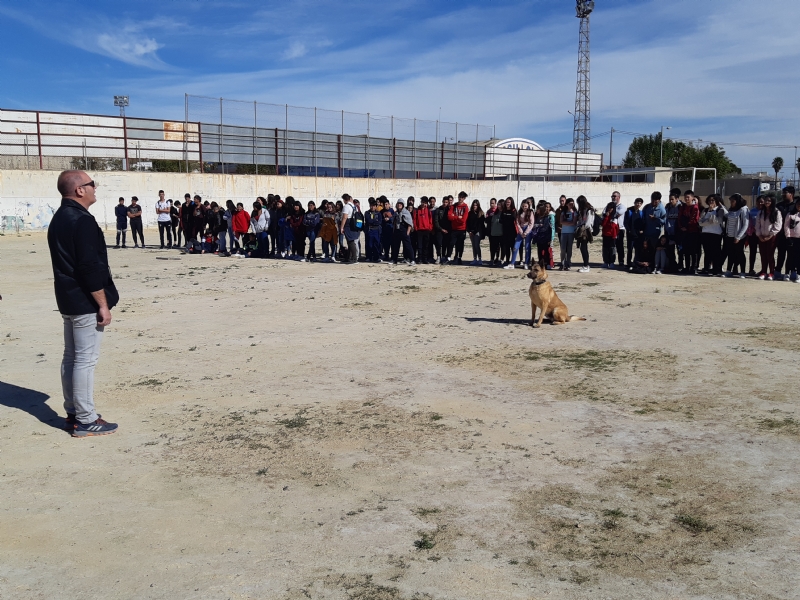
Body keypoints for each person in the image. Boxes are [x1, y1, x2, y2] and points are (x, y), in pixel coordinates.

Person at [47, 170, 119, 437]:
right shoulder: (81, 220)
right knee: (85, 361)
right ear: (79, 190)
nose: (95, 188)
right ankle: (86, 419)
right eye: (91, 184)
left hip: (67, 298)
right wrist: (102, 303)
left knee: (72, 357)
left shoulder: (59, 218)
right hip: (84, 300)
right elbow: (89, 267)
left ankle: (74, 412)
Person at [755, 195, 783, 280]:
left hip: (771, 237)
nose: (767, 202)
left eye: (769, 201)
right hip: (761, 236)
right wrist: (759, 235)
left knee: (770, 255)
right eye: (766, 200)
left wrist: (770, 235)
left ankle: (771, 273)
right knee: (763, 254)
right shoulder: (760, 212)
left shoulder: (776, 212)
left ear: (773, 202)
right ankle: (763, 272)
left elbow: (778, 225)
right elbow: (757, 225)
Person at [698, 194, 726, 276]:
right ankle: (706, 268)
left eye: (713, 200)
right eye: (709, 200)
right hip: (706, 233)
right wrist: (708, 220)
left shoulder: (719, 210)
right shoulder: (705, 210)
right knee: (707, 252)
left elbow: (717, 221)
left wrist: (711, 215)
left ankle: (715, 269)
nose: (711, 202)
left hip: (716, 234)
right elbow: (700, 222)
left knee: (716, 252)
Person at [723, 194, 749, 278]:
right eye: (730, 201)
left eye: (733, 201)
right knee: (730, 253)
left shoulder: (743, 209)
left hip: (739, 237)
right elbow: (727, 217)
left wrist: (738, 237)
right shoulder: (731, 210)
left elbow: (745, 224)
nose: (731, 203)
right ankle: (729, 270)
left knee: (739, 253)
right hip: (729, 235)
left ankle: (742, 271)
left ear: (738, 201)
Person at [677, 190, 700, 274]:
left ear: (692, 198)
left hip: (693, 232)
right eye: (685, 197)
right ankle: (686, 267)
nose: (686, 199)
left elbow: (694, 219)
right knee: (685, 251)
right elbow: (679, 218)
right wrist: (681, 227)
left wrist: (686, 227)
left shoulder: (695, 208)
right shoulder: (682, 207)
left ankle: (693, 267)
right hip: (684, 232)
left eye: (688, 197)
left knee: (693, 251)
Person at [775, 187, 795, 280]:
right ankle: (778, 271)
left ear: (791, 194)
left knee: (792, 255)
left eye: (785, 193)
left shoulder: (796, 206)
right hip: (781, 234)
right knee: (781, 254)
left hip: (793, 235)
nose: (783, 195)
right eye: (782, 193)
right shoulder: (779, 206)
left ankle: (790, 272)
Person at [603, 191, 626, 268]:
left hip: (619, 228)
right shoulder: (608, 205)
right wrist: (608, 213)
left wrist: (610, 213)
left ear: (619, 197)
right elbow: (604, 213)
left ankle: (621, 261)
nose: (613, 197)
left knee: (619, 246)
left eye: (614, 196)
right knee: (608, 246)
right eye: (612, 196)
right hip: (609, 229)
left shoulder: (622, 206)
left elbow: (617, 213)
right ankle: (608, 261)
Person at [509, 198, 534, 269]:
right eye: (523, 206)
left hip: (528, 230)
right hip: (521, 230)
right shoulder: (519, 212)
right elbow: (517, 222)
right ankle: (512, 263)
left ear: (528, 206)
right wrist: (520, 231)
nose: (524, 208)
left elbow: (531, 223)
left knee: (527, 247)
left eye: (525, 206)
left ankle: (526, 263)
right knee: (515, 247)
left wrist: (526, 232)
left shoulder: (531, 213)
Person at [575, 195, 595, 273]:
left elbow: (588, 223)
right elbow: (580, 220)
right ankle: (585, 265)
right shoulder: (582, 210)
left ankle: (586, 265)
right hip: (581, 230)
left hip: (586, 231)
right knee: (582, 248)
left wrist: (581, 227)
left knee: (584, 248)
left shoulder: (589, 210)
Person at [448, 191, 469, 265]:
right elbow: (449, 217)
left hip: (462, 229)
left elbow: (463, 220)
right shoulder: (454, 206)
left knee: (460, 245)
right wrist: (457, 217)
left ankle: (459, 257)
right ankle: (449, 257)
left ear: (464, 198)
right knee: (451, 243)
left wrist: (454, 217)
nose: (460, 199)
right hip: (454, 229)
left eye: (462, 197)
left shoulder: (465, 207)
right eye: (459, 197)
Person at [391, 200, 415, 265]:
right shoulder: (396, 213)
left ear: (403, 205)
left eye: (400, 204)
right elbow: (394, 222)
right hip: (397, 231)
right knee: (396, 246)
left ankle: (412, 260)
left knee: (408, 246)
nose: (399, 205)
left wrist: (408, 232)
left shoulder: (406, 212)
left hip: (404, 231)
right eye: (398, 204)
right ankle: (394, 260)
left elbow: (410, 223)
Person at [623, 198, 644, 267]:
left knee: (637, 249)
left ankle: (636, 262)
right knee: (630, 249)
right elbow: (625, 222)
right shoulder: (629, 211)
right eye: (637, 203)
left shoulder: (641, 213)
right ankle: (629, 263)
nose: (638, 204)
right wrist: (628, 230)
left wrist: (641, 230)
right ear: (634, 203)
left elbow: (642, 223)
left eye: (640, 203)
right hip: (630, 234)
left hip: (638, 234)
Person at [413, 196, 434, 264]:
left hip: (426, 230)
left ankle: (425, 259)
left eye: (425, 203)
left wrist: (430, 227)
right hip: (419, 230)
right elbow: (415, 220)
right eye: (423, 202)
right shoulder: (417, 210)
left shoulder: (428, 210)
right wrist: (416, 227)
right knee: (419, 246)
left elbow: (430, 220)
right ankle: (419, 259)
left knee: (426, 246)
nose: (424, 204)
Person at [664, 189, 682, 271]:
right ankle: (672, 265)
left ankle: (681, 265)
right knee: (670, 251)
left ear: (677, 199)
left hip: (678, 233)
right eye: (670, 199)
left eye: (672, 199)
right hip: (669, 232)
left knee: (680, 251)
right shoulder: (668, 206)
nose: (671, 201)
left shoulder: (681, 206)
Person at [559, 197, 578, 271]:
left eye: (572, 204)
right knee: (563, 249)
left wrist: (566, 223)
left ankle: (568, 263)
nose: (571, 205)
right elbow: (561, 221)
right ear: (567, 204)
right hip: (564, 232)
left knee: (569, 249)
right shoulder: (563, 212)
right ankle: (562, 263)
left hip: (571, 232)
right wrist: (569, 223)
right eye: (570, 204)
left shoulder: (574, 212)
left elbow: (574, 222)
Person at [746, 196, 763, 276]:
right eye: (758, 202)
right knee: (752, 252)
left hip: (763, 235)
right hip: (753, 235)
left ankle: (763, 270)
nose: (760, 203)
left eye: (761, 202)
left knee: (763, 253)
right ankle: (751, 269)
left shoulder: (766, 211)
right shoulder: (752, 211)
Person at [784, 196, 800, 282]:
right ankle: (787, 273)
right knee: (790, 257)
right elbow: (786, 226)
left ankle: (798, 275)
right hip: (791, 238)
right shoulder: (790, 214)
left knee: (799, 258)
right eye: (798, 204)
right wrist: (788, 237)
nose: (799, 206)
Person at [340, 194, 359, 264]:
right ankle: (348, 257)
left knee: (350, 242)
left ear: (345, 200)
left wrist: (341, 227)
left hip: (348, 224)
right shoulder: (354, 206)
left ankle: (354, 258)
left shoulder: (346, 207)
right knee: (350, 241)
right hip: (354, 224)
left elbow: (345, 217)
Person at [499, 197, 517, 268]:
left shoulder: (514, 211)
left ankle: (513, 261)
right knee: (506, 247)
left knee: (512, 247)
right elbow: (501, 220)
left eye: (509, 202)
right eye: (506, 202)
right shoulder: (504, 211)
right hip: (505, 231)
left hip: (512, 232)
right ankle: (507, 260)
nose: (507, 204)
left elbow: (515, 220)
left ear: (511, 203)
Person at [601, 203, 620, 268]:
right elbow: (603, 224)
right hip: (605, 234)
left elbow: (614, 226)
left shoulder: (615, 216)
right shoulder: (604, 215)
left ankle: (612, 262)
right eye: (609, 208)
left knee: (612, 249)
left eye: (611, 208)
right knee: (605, 249)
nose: (610, 209)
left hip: (612, 235)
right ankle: (606, 262)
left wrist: (615, 235)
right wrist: (606, 217)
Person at [466, 199, 485, 266]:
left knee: (477, 245)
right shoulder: (470, 213)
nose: (475, 206)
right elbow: (467, 223)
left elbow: (480, 225)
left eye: (476, 205)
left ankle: (480, 259)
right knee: (473, 245)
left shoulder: (481, 213)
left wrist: (475, 232)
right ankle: (475, 259)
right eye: (474, 205)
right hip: (471, 232)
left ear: (478, 205)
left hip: (477, 232)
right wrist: (469, 231)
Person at [486, 198, 503, 267]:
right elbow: (486, 220)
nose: (491, 204)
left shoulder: (498, 211)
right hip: (491, 231)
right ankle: (492, 258)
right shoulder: (489, 211)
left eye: (493, 203)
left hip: (499, 231)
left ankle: (497, 258)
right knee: (492, 246)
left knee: (498, 247)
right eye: (490, 203)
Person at [380, 197, 395, 262]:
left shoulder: (392, 210)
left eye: (386, 204)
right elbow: (380, 220)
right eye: (384, 204)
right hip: (384, 229)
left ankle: (393, 256)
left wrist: (390, 219)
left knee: (392, 244)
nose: (385, 206)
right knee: (386, 244)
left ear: (389, 204)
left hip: (391, 229)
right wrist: (384, 220)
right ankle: (386, 256)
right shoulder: (381, 211)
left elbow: (395, 218)